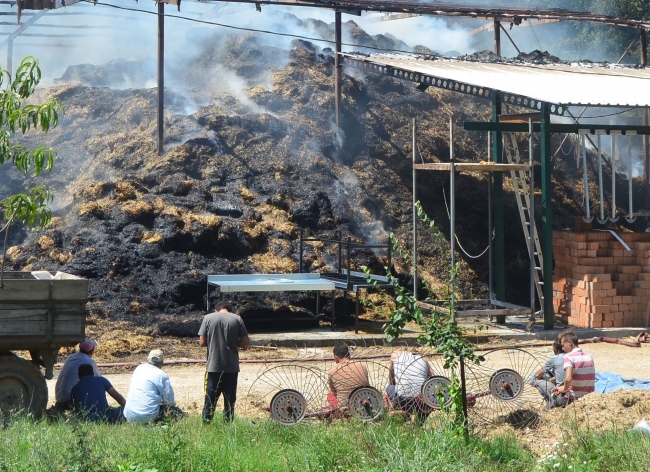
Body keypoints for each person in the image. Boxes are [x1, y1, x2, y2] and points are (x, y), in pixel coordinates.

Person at [198, 301, 250, 423]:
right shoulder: (237, 319)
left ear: (217, 309)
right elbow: (246, 342)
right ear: (229, 309)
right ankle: (228, 423)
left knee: (210, 398)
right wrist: (233, 343)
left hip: (213, 366)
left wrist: (213, 342)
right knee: (230, 399)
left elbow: (201, 342)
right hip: (232, 367)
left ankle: (206, 422)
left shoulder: (208, 318)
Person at [123, 349, 184, 423]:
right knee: (176, 412)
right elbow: (169, 401)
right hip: (148, 417)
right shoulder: (162, 375)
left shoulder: (138, 369)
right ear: (162, 362)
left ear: (147, 359)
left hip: (129, 416)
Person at [386, 350, 435, 424]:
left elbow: (391, 378)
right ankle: (418, 423)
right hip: (420, 402)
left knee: (390, 387)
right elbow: (432, 379)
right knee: (428, 396)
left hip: (402, 400)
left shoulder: (395, 354)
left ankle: (403, 414)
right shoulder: (423, 359)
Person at [54, 338, 101, 411]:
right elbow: (99, 380)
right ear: (92, 350)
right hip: (71, 401)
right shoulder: (89, 361)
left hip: (60, 398)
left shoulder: (71, 357)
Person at [551, 331, 595, 407]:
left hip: (573, 399)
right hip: (589, 397)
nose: (562, 348)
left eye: (563, 345)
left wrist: (564, 389)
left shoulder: (569, 357)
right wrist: (561, 388)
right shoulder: (589, 355)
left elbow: (568, 379)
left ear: (569, 342)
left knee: (552, 402)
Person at [327, 343, 370, 409]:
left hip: (345, 407)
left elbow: (333, 391)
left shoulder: (332, 371)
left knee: (330, 396)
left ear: (336, 357)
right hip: (366, 402)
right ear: (348, 355)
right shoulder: (362, 365)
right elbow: (367, 385)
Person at [531, 339, 566, 409]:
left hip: (561, 392)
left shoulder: (555, 358)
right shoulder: (571, 357)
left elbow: (538, 375)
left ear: (555, 350)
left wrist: (534, 378)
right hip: (572, 390)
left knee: (535, 381)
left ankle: (551, 401)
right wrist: (554, 378)